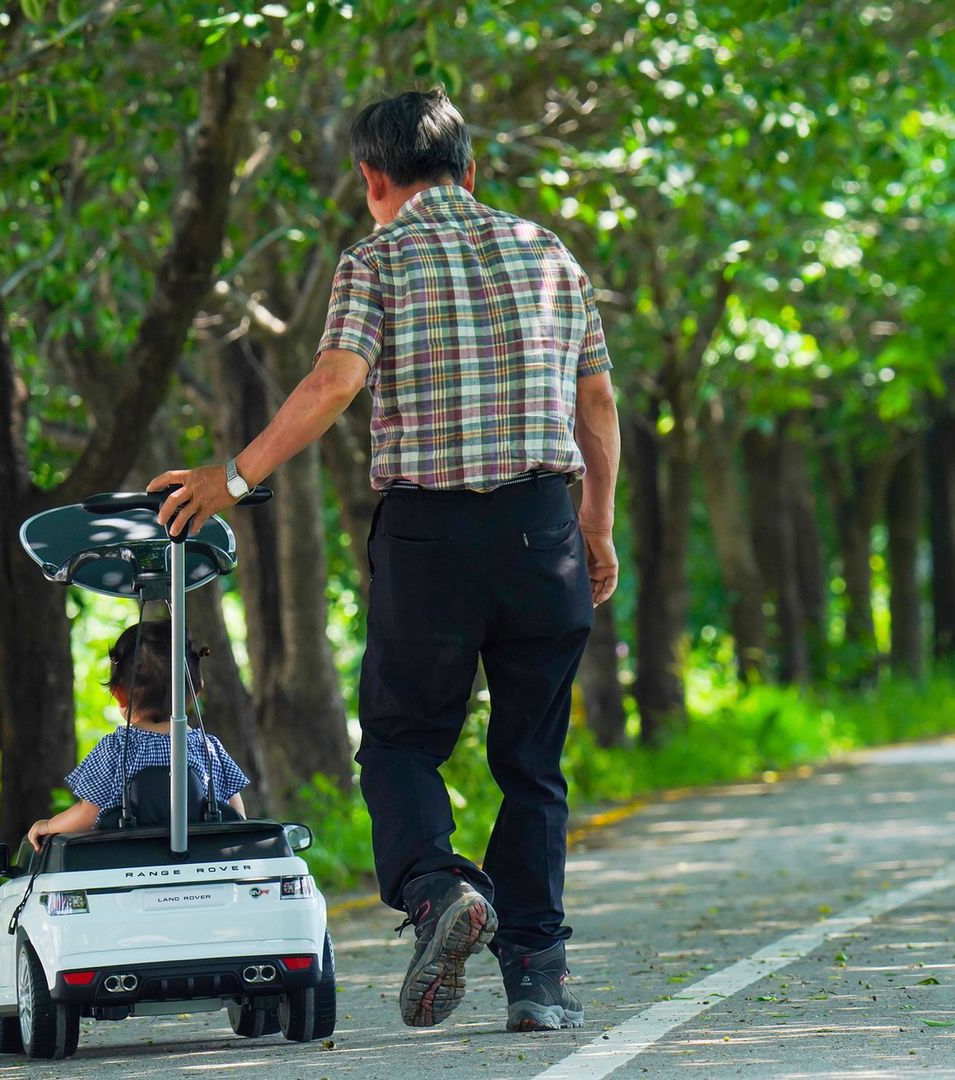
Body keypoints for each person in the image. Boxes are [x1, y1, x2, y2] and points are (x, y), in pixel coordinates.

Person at [146, 88, 620, 1034]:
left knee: (403, 741)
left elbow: (335, 381)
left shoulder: (376, 258)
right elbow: (596, 406)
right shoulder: (550, 255)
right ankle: (537, 975)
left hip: (431, 538)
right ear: (471, 172)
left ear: (373, 179)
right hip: (542, 532)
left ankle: (438, 886)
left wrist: (232, 480)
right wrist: (598, 529)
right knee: (532, 761)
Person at [26, 620, 249, 850]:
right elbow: (237, 816)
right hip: (202, 865)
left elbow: (86, 815)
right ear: (195, 691)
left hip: (125, 869)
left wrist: (48, 826)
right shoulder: (208, 747)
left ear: (120, 694)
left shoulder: (115, 748)